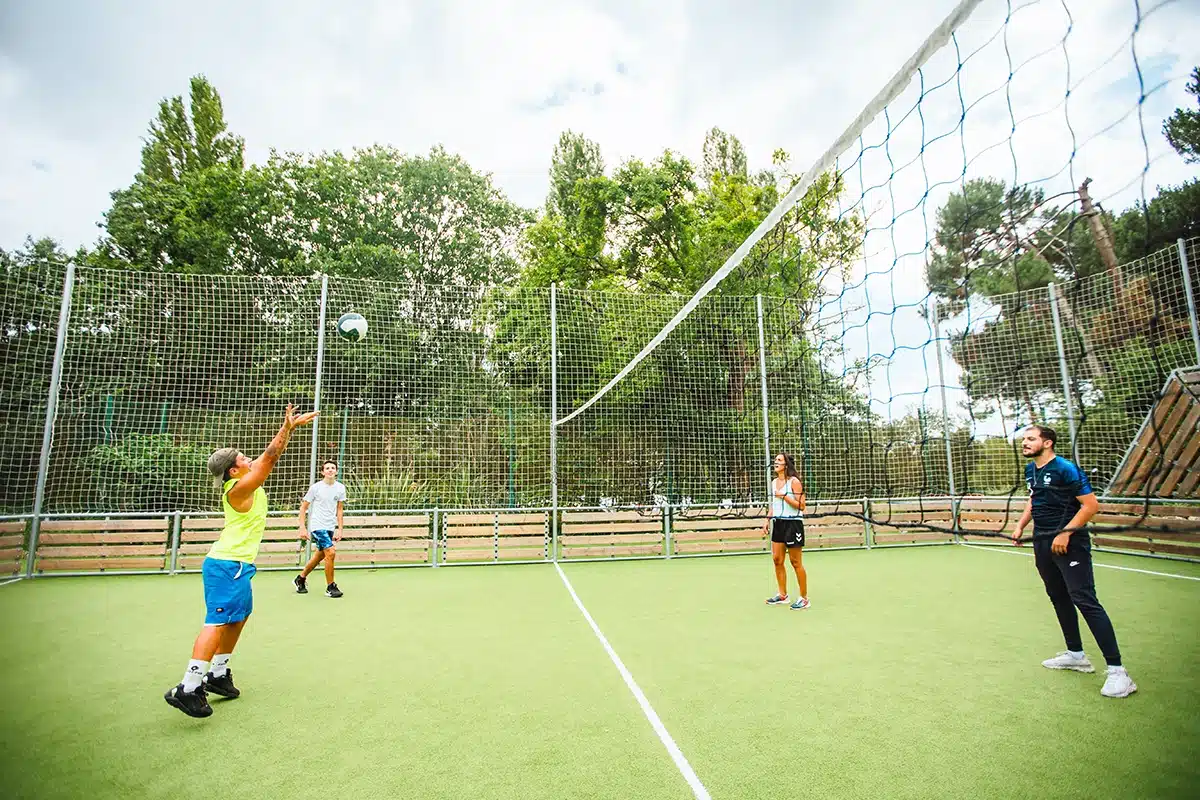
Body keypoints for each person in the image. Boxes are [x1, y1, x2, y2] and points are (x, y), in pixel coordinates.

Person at [164, 404, 318, 718]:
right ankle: (189, 686)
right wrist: (286, 429)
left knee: (238, 617)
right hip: (225, 565)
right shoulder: (237, 488)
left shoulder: (246, 482)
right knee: (217, 622)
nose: (249, 459)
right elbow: (269, 460)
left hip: (238, 566)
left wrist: (287, 431)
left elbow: (267, 459)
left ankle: (218, 674)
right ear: (233, 471)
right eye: (243, 459)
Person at [1012, 425, 1136, 698]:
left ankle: (1118, 672)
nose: (1024, 443)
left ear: (1047, 443)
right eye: (1024, 439)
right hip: (1042, 541)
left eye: (1030, 439)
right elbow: (1034, 500)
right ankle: (1076, 655)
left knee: (1084, 599)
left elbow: (1090, 505)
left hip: (1070, 543)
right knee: (1058, 596)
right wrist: (1021, 526)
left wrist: (1066, 533)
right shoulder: (1031, 469)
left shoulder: (1066, 468)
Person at [763, 452, 809, 610]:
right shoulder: (774, 482)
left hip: (793, 523)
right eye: (775, 460)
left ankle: (804, 598)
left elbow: (802, 505)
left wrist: (784, 496)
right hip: (779, 523)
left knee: (796, 562)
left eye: (779, 460)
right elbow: (774, 505)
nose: (776, 462)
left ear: (786, 465)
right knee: (777, 559)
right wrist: (767, 520)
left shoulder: (794, 482)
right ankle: (782, 595)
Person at [294, 460, 346, 598]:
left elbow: (339, 510)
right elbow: (303, 508)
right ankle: (330, 587)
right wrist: (302, 528)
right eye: (327, 468)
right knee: (331, 552)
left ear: (336, 471)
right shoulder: (316, 488)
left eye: (333, 468)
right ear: (322, 472)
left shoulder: (340, 488)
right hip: (317, 526)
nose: (330, 470)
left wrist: (340, 529)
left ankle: (301, 578)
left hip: (330, 526)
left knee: (320, 556)